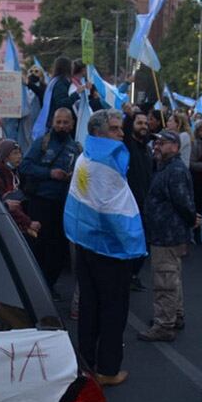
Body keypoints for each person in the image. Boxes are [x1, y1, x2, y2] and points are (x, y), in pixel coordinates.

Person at [64, 109, 146, 386]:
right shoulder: (105, 163)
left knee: (90, 307)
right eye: (114, 129)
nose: (121, 134)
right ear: (98, 131)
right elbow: (115, 211)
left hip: (85, 242)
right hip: (108, 249)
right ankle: (108, 370)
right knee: (113, 309)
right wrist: (133, 245)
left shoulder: (85, 156)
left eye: (121, 128)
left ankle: (87, 363)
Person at [138, 131, 196, 342]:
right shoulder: (167, 168)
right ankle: (175, 315)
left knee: (165, 280)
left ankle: (164, 324)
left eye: (161, 143)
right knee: (172, 277)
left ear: (175, 147)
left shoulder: (175, 171)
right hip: (164, 233)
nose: (156, 146)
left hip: (168, 235)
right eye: (156, 142)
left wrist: (189, 222)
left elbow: (184, 203)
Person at [20, 107, 81, 294]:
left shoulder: (76, 148)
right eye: (58, 122)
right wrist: (49, 173)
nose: (62, 125)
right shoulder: (42, 143)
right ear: (53, 123)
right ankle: (35, 286)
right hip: (41, 202)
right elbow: (25, 166)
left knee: (57, 248)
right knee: (39, 246)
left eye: (65, 122)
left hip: (63, 204)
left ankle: (50, 285)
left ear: (72, 124)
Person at [124, 112, 153, 291]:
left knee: (144, 244)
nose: (143, 126)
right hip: (130, 204)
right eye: (139, 122)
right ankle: (126, 276)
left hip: (146, 203)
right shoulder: (128, 146)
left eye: (145, 123)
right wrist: (128, 113)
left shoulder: (146, 149)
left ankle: (133, 275)